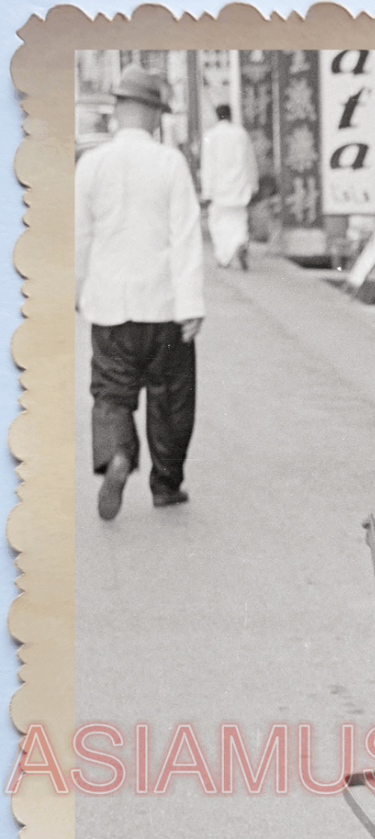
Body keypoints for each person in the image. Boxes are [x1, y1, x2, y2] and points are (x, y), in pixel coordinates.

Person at [75, 65, 205, 520]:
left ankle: (118, 454)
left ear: (118, 111)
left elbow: (79, 236)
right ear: (152, 114)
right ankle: (166, 486)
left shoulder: (91, 165)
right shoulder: (170, 163)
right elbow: (185, 236)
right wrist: (191, 306)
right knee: (171, 396)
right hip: (164, 305)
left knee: (111, 393)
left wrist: (76, 290)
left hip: (109, 305)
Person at [199, 104, 258, 270]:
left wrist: (206, 190)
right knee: (239, 219)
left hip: (219, 188)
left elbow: (207, 165)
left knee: (218, 222)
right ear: (231, 115)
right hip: (239, 187)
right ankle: (240, 241)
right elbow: (250, 161)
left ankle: (224, 257)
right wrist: (252, 185)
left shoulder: (210, 136)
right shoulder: (241, 134)